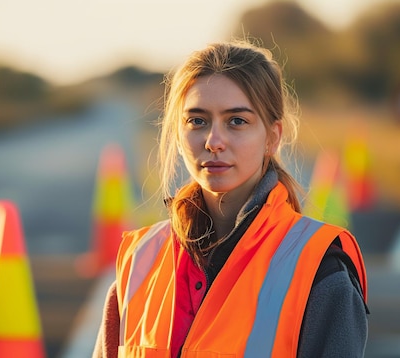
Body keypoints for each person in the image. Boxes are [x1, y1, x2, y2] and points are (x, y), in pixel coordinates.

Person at [93, 40, 369, 358]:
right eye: (197, 121)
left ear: (272, 137)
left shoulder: (319, 272)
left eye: (237, 121)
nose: (214, 141)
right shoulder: (140, 263)